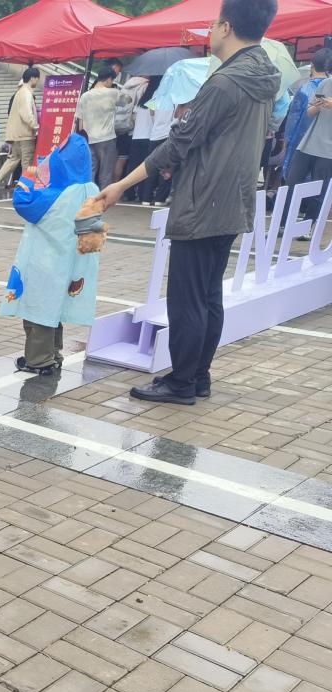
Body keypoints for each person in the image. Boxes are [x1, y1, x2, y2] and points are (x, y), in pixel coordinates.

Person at [101, 0, 280, 406]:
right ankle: (197, 376)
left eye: (214, 23)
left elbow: (180, 142)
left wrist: (121, 184)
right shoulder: (263, 75)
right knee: (208, 295)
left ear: (227, 27)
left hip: (204, 201)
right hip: (233, 199)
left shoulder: (225, 82)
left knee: (187, 299)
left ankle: (181, 382)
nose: (210, 30)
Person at [0, 135, 102, 375]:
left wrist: (27, 176)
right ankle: (53, 354)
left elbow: (22, 202)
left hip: (45, 263)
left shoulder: (55, 195)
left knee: (38, 311)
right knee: (54, 308)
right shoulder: (92, 191)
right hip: (70, 264)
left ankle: (39, 361)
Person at [286, 65, 332, 232]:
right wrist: (318, 106)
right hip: (309, 142)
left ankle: (308, 227)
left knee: (319, 190)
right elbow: (309, 112)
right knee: (291, 183)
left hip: (329, 150)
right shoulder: (326, 83)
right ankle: (283, 224)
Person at [0, 67, 40, 196]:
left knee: (13, 159)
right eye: (37, 78)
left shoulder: (19, 92)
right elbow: (26, 113)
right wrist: (35, 126)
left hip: (15, 134)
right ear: (32, 78)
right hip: (25, 134)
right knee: (26, 163)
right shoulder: (27, 93)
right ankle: (25, 188)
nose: (37, 81)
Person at [283, 47, 330, 184]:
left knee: (296, 184)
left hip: (305, 143)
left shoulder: (305, 88)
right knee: (315, 186)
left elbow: (293, 118)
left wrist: (286, 141)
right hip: (321, 148)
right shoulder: (326, 84)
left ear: (312, 65)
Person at [76, 70, 121, 188]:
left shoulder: (85, 96)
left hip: (89, 138)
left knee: (90, 171)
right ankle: (103, 196)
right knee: (106, 173)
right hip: (107, 138)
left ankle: (89, 195)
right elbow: (127, 101)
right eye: (112, 80)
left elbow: (80, 121)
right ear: (109, 79)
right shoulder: (113, 93)